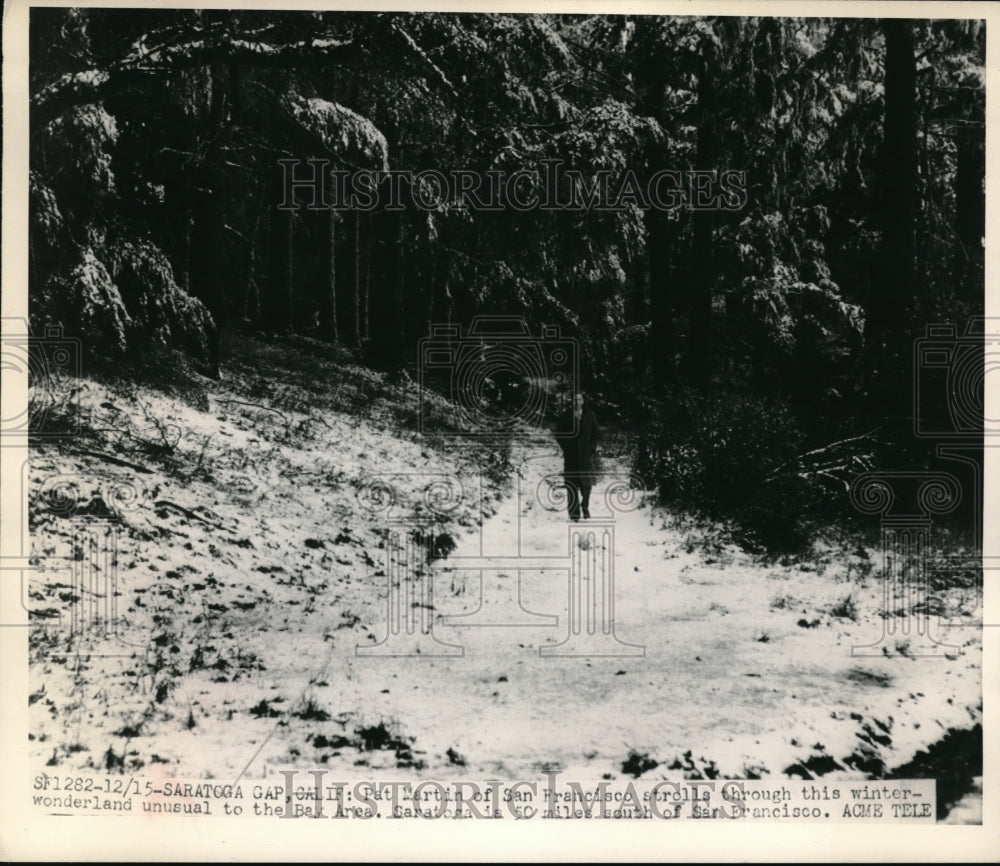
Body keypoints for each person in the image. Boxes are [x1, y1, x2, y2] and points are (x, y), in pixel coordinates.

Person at [554, 392, 601, 521]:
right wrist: (566, 447)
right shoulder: (565, 416)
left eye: (580, 399)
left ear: (583, 401)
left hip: (586, 456)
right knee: (571, 485)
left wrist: (591, 449)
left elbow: (596, 435)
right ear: (572, 402)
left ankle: (585, 506)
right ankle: (574, 514)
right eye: (575, 400)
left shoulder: (590, 416)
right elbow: (559, 434)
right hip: (571, 456)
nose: (577, 402)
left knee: (587, 485)